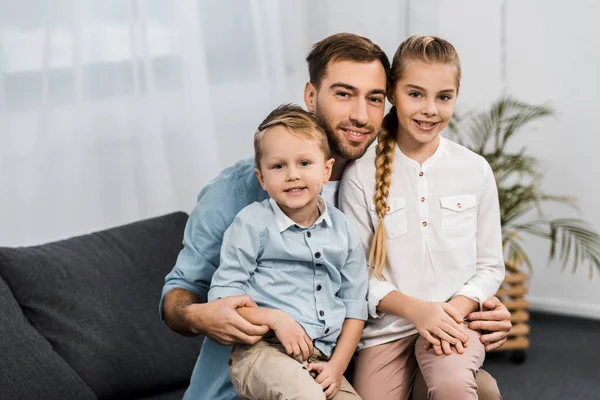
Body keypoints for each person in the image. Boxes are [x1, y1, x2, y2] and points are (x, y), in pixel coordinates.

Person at [160, 33, 511, 400]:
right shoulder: (238, 191)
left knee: (481, 388)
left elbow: (392, 281)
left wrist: (478, 311)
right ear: (311, 96)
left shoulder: (380, 178)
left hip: (341, 370)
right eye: (344, 94)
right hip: (246, 384)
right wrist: (199, 316)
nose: (360, 115)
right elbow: (177, 299)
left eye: (373, 99)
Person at [339, 35, 505, 400]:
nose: (430, 109)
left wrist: (448, 313)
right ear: (393, 94)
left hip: (455, 321)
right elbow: (357, 274)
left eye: (443, 97)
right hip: (386, 331)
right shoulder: (360, 175)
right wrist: (418, 312)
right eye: (415, 94)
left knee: (451, 385)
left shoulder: (475, 170)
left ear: (455, 97)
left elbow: (490, 265)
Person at [208, 104, 367, 399]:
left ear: (326, 170)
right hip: (261, 352)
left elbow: (356, 305)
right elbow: (223, 299)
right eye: (279, 166)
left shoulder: (343, 229)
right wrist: (275, 319)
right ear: (262, 179)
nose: (292, 174)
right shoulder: (252, 224)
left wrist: (337, 367)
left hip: (321, 360)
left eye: (304, 163)